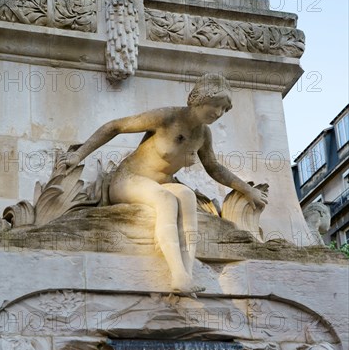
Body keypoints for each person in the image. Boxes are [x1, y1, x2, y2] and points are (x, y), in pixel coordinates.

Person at [63, 74, 267, 293]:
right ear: (200, 99)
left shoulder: (203, 135)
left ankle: (186, 276)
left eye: (224, 110)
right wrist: (79, 154)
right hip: (128, 180)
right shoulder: (167, 117)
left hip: (160, 184)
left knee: (187, 196)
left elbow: (214, 168)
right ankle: (177, 273)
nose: (218, 114)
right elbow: (116, 126)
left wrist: (248, 190)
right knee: (166, 200)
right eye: (216, 105)